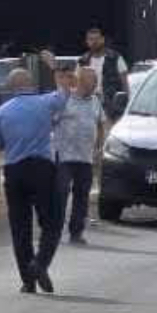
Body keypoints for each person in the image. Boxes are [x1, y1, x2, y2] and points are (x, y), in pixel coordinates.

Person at [0, 56, 70, 294]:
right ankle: (40, 263)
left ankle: (28, 280)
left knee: (20, 227)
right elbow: (65, 92)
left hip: (14, 171)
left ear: (11, 88)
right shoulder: (45, 103)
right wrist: (55, 68)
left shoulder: (1, 113)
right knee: (52, 221)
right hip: (42, 168)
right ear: (32, 85)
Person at [52, 67, 104, 245]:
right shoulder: (65, 99)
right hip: (64, 155)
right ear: (80, 80)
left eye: (96, 80)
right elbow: (51, 120)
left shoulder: (96, 101)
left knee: (82, 196)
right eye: (92, 80)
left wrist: (99, 147)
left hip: (85, 157)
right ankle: (54, 230)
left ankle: (76, 232)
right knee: (61, 193)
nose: (95, 83)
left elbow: (100, 123)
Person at [78, 27, 130, 121]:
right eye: (91, 39)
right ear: (87, 42)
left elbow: (125, 85)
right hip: (88, 105)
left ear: (102, 40)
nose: (94, 42)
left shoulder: (115, 58)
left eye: (97, 39)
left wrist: (124, 105)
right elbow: (77, 83)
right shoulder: (83, 60)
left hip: (110, 107)